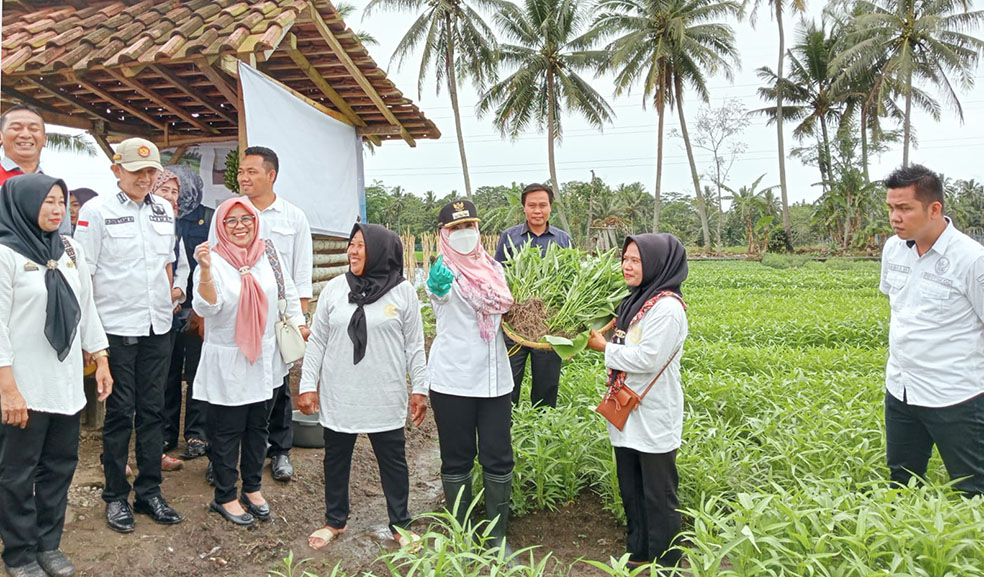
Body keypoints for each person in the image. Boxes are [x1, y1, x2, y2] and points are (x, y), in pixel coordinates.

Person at [0, 174, 113, 577]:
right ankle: (18, 553)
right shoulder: (5, 253)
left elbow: (86, 307)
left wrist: (100, 358)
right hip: (22, 385)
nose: (55, 209)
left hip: (64, 383)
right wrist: (8, 389)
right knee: (17, 473)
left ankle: (49, 545)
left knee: (60, 466)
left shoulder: (69, 249)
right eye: (46, 201)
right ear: (23, 203)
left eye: (60, 202)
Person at [74, 138, 183, 533]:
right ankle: (116, 496)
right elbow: (84, 277)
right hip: (116, 329)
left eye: (151, 171)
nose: (145, 178)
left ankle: (150, 491)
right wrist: (92, 339)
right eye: (137, 171)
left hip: (157, 327)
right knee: (120, 414)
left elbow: (167, 265)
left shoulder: (164, 211)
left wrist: (174, 298)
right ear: (117, 170)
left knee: (154, 411)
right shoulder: (95, 211)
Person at [298, 223, 427, 550]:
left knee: (393, 460)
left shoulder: (403, 292)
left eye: (361, 245)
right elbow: (317, 343)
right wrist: (307, 384)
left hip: (384, 393)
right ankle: (334, 521)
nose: (352, 251)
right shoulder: (333, 289)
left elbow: (415, 345)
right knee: (336, 458)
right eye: (351, 245)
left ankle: (400, 523)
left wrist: (420, 388)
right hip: (340, 392)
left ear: (380, 251)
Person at [192, 198, 304, 527]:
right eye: (231, 221)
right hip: (228, 357)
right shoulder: (211, 258)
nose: (240, 226)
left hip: (265, 357)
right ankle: (225, 495)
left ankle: (252, 489)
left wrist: (298, 322)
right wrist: (208, 271)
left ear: (256, 222)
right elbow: (206, 308)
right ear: (220, 227)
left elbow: (288, 293)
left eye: (246, 219)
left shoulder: (267, 253)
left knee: (259, 426)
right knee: (227, 430)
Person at [879, 164, 984, 496]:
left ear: (934, 209)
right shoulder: (893, 249)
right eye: (891, 208)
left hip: (955, 396)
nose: (895, 217)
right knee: (902, 482)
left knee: (972, 490)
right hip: (901, 389)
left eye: (905, 208)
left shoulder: (971, 260)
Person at [586, 233, 689, 569]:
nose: (627, 266)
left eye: (636, 260)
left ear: (657, 264)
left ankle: (666, 563)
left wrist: (605, 349)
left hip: (654, 413)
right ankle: (639, 552)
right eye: (625, 258)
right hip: (628, 409)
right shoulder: (634, 301)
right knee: (631, 488)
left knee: (658, 495)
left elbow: (647, 359)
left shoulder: (668, 308)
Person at [210, 146, 313, 482]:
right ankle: (225, 458)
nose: (244, 178)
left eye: (251, 171)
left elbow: (299, 271)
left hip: (276, 316)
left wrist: (299, 320)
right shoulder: (226, 213)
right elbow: (212, 261)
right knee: (232, 387)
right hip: (233, 317)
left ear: (271, 175)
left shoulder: (293, 216)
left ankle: (279, 451)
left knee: (277, 387)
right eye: (241, 172)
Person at [426, 200, 516, 555]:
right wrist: (437, 286)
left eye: (469, 227)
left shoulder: (494, 269)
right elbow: (439, 296)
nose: (464, 234)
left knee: (498, 455)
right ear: (442, 234)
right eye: (455, 229)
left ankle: (497, 537)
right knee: (457, 456)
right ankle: (461, 532)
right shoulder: (443, 272)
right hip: (453, 380)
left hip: (495, 380)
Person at [493, 183, 572, 408]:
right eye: (532, 205)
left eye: (543, 205)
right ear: (524, 208)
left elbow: (570, 279)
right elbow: (498, 275)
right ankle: (506, 429)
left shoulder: (562, 239)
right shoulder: (509, 237)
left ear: (550, 208)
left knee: (547, 385)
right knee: (509, 381)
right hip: (515, 324)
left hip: (550, 326)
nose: (537, 210)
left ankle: (543, 428)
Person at [165, 165, 212, 463]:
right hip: (166, 308)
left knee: (198, 372)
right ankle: (166, 432)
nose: (176, 195)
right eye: (169, 189)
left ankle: (197, 433)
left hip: (198, 308)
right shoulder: (156, 215)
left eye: (180, 189)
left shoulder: (208, 218)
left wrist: (202, 308)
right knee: (167, 372)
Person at [150, 169, 190, 473]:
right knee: (147, 384)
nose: (170, 197)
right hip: (143, 316)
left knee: (169, 379)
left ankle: (164, 440)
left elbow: (183, 266)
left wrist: (176, 293)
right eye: (165, 190)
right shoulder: (145, 222)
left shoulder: (174, 229)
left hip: (170, 315)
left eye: (175, 192)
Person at [0, 104, 71, 235]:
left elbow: (63, 237)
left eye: (33, 129)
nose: (26, 134)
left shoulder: (56, 187)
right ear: (1, 137)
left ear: (44, 139)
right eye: (16, 128)